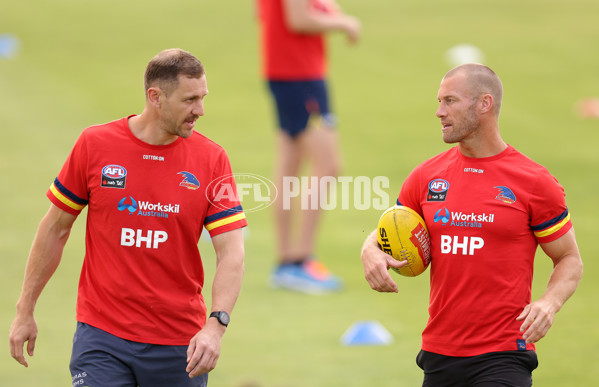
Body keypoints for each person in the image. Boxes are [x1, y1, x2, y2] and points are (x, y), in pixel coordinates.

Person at [9, 49, 247, 386]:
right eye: (190, 99)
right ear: (155, 97)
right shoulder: (95, 145)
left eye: (203, 97)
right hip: (102, 336)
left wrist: (215, 326)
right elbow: (55, 228)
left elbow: (231, 252)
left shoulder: (212, 159)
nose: (201, 110)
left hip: (180, 344)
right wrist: (24, 310)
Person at [360, 63, 583, 386]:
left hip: (503, 355)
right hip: (439, 353)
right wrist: (370, 249)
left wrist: (549, 303)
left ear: (484, 104)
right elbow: (391, 225)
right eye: (439, 101)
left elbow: (569, 259)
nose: (439, 111)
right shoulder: (427, 177)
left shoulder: (534, 182)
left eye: (450, 101)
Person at [256, 0, 361, 293]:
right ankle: (300, 261)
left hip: (286, 73)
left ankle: (287, 263)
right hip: (299, 75)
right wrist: (343, 22)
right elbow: (298, 19)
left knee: (289, 164)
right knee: (327, 165)